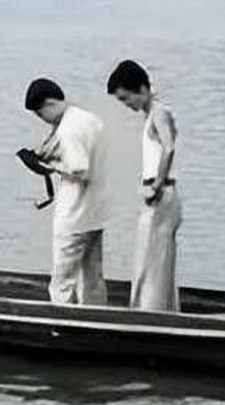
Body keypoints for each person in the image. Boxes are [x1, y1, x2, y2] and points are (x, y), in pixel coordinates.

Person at [22, 77, 109, 305]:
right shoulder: (90, 119)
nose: (42, 119)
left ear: (50, 104)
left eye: (40, 114)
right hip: (96, 213)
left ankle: (60, 322)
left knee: (62, 283)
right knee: (93, 279)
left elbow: (80, 170)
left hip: (74, 217)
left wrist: (50, 165)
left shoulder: (67, 130)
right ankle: (97, 319)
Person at [106, 59, 180, 312]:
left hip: (160, 194)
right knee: (152, 259)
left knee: (152, 262)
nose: (127, 105)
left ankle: (151, 313)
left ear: (142, 88)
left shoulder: (158, 112)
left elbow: (169, 148)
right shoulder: (152, 113)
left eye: (126, 98)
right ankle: (157, 311)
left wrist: (157, 185)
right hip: (158, 193)